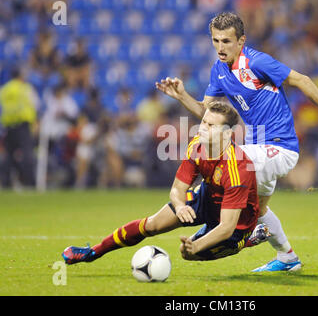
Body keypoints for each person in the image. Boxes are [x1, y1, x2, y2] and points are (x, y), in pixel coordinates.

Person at [156, 12, 318, 272]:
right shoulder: (219, 70)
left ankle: (222, 225)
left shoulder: (256, 62)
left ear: (241, 41)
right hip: (257, 150)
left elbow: (303, 80)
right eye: (216, 41)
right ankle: (288, 257)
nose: (221, 47)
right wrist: (182, 96)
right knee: (260, 207)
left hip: (280, 148)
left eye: (227, 41)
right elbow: (205, 112)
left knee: (230, 162)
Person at [62, 102, 270, 264]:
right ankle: (93, 252)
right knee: (152, 224)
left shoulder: (237, 170)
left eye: (211, 125)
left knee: (188, 255)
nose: (203, 129)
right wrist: (179, 206)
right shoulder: (197, 145)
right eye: (203, 122)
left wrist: (195, 247)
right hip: (206, 199)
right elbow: (178, 189)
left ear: (227, 133)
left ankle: (249, 239)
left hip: (236, 225)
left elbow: (226, 226)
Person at [0, 68, 39, 188]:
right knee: (27, 154)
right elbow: (35, 104)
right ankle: (29, 182)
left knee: (8, 155)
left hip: (8, 126)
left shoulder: (5, 89)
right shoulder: (25, 88)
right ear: (20, 76)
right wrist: (35, 122)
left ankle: (5, 182)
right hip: (23, 125)